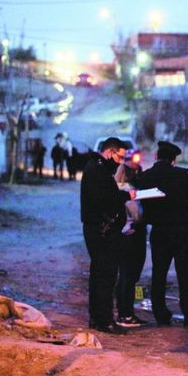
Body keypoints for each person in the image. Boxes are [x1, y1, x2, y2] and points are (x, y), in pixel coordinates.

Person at [138, 141, 188, 326]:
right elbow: (187, 198)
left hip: (159, 230)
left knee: (159, 273)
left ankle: (160, 313)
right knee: (186, 273)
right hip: (181, 229)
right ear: (174, 160)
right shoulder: (181, 175)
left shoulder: (146, 176)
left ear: (156, 157)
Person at [80, 137, 131, 334]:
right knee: (106, 275)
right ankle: (105, 320)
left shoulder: (97, 168)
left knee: (99, 274)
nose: (121, 162)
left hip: (100, 229)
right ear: (110, 152)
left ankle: (97, 318)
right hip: (101, 230)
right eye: (119, 157)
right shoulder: (97, 170)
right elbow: (102, 199)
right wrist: (125, 196)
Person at [113, 149, 148, 327]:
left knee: (127, 275)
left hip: (128, 233)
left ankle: (125, 312)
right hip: (130, 234)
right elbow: (137, 213)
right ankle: (125, 314)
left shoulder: (121, 187)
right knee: (128, 275)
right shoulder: (126, 189)